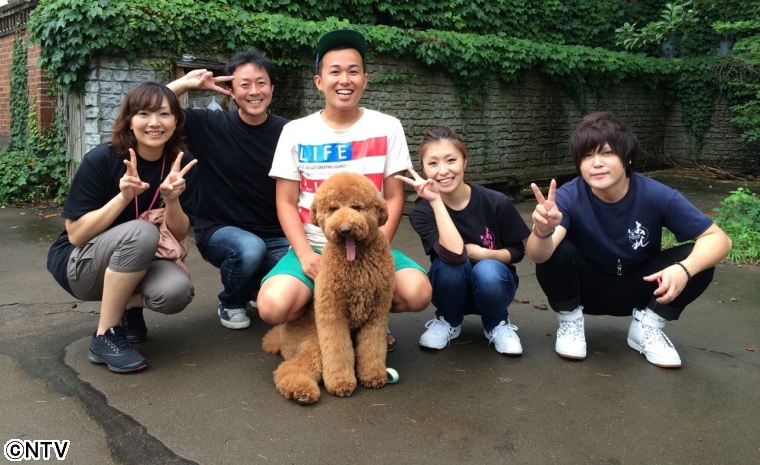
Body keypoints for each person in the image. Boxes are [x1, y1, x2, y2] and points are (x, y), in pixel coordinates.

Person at [256, 28, 432, 350]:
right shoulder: (296, 131)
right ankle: (321, 321)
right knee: (273, 306)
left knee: (417, 292)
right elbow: (286, 202)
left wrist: (377, 248)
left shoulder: (388, 127)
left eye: (353, 71)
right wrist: (305, 255)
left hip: (368, 244)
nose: (344, 80)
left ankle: (365, 321)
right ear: (319, 81)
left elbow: (394, 196)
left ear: (365, 80)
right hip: (316, 246)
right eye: (334, 71)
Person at [526, 112, 732, 368]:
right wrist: (542, 230)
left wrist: (684, 269)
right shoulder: (569, 196)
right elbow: (539, 255)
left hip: (642, 286)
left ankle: (648, 326)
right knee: (556, 250)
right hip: (587, 288)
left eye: (607, 153)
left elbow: (719, 239)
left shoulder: (656, 195)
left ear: (628, 157)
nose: (596, 163)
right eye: (587, 155)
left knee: (697, 260)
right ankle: (569, 322)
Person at [46, 82, 199, 373]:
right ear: (129, 120)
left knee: (176, 292)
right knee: (142, 232)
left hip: (138, 259)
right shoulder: (102, 159)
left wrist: (172, 199)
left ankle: (129, 307)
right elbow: (76, 234)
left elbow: (179, 234)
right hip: (79, 263)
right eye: (144, 114)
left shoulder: (182, 164)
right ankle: (105, 335)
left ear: (176, 120)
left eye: (164, 114)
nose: (154, 123)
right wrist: (123, 197)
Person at [167, 50, 289, 330]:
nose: (254, 91)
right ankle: (232, 301)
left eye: (261, 83)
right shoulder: (208, 124)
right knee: (250, 248)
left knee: (308, 263)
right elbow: (146, 106)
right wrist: (185, 84)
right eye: (244, 84)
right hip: (221, 232)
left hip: (275, 234)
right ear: (231, 91)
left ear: (272, 88)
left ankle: (259, 285)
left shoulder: (289, 132)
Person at [399, 126, 530, 355]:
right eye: (433, 163)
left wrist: (485, 254)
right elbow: (454, 256)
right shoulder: (422, 212)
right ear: (423, 169)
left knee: (487, 269)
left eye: (451, 160)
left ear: (465, 162)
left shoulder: (496, 201)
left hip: (494, 286)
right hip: (449, 287)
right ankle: (448, 319)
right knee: (450, 265)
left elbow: (518, 251)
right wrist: (436, 201)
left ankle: (497, 322)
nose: (443, 171)